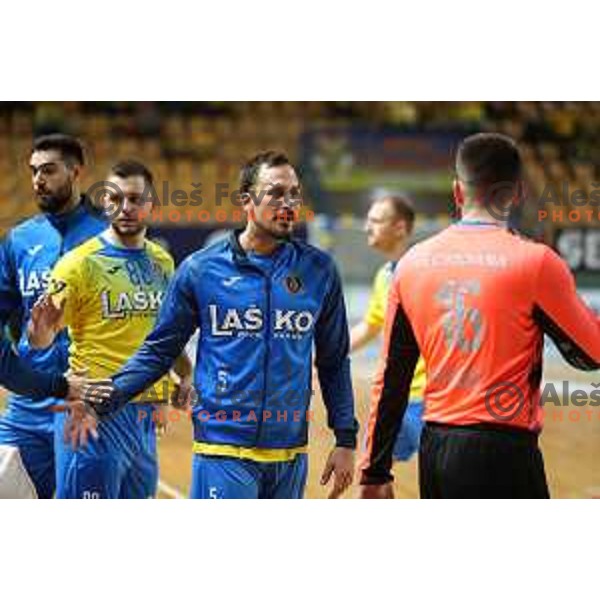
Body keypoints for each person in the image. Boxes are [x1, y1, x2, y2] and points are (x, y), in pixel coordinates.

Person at [81, 150, 358, 499]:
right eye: (275, 193)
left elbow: (334, 360)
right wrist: (102, 398)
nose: (288, 203)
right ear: (246, 199)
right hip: (222, 450)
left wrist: (345, 438)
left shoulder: (319, 270)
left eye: (294, 193)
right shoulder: (201, 270)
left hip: (290, 454)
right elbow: (159, 351)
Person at [359, 132, 600, 499]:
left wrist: (373, 470)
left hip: (436, 450)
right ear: (517, 193)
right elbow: (591, 354)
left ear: (457, 191)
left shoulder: (409, 265)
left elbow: (390, 379)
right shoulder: (537, 262)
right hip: (506, 450)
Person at [28, 160, 192, 499]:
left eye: (135, 199)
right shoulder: (77, 264)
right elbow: (41, 340)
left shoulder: (163, 262)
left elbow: (164, 335)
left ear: (150, 204)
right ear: (105, 202)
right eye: (116, 199)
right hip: (93, 415)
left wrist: (183, 376)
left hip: (144, 419)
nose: (125, 208)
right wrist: (39, 329)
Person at [0, 134, 106, 498]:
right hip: (28, 404)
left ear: (76, 172)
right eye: (32, 172)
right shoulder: (19, 239)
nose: (37, 181)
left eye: (48, 170)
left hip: (86, 404)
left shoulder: (110, 238)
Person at [350, 192, 426, 464]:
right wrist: (326, 353)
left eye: (376, 220)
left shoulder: (426, 272)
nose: (366, 227)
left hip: (430, 400)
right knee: (370, 473)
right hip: (393, 399)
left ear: (400, 227)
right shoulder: (384, 275)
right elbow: (371, 325)